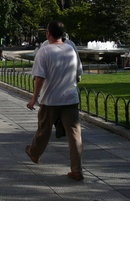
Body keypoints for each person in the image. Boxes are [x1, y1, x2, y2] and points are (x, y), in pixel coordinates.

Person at [25, 20, 84, 181]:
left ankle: (34, 154)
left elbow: (39, 78)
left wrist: (33, 99)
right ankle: (77, 169)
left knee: (44, 130)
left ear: (48, 33)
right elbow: (78, 72)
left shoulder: (44, 51)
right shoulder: (71, 50)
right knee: (74, 134)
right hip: (70, 97)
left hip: (50, 99)